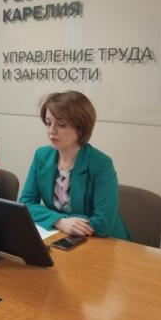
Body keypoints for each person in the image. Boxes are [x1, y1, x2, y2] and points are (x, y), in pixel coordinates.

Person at [20, 91, 130, 240]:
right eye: (48, 122)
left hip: (105, 242)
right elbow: (25, 204)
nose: (51, 130)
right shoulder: (41, 156)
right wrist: (60, 221)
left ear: (81, 129)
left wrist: (55, 219)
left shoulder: (101, 164)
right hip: (62, 237)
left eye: (61, 125)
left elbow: (103, 224)